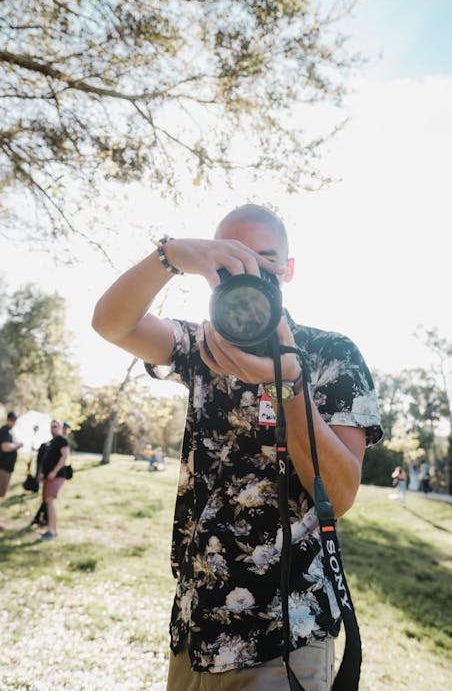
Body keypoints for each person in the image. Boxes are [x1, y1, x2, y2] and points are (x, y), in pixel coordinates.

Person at [92, 204, 383, 691]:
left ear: (288, 270)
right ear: (208, 272)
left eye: (265, 259)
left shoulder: (332, 355)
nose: (249, 272)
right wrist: (169, 255)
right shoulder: (200, 346)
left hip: (285, 635)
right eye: (229, 261)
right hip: (196, 629)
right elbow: (111, 325)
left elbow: (342, 493)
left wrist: (287, 385)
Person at [0, 410, 23, 531]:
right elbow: (5, 447)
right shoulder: (4, 431)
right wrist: (18, 445)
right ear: (11, 420)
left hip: (4, 469)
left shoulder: (8, 432)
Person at [36, 419, 70, 542]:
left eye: (55, 426)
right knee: (47, 501)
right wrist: (41, 473)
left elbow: (65, 456)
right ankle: (50, 528)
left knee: (50, 500)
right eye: (51, 426)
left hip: (57, 476)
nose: (53, 428)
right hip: (47, 476)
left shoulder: (62, 440)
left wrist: (54, 471)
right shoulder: (51, 442)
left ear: (60, 427)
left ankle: (52, 530)